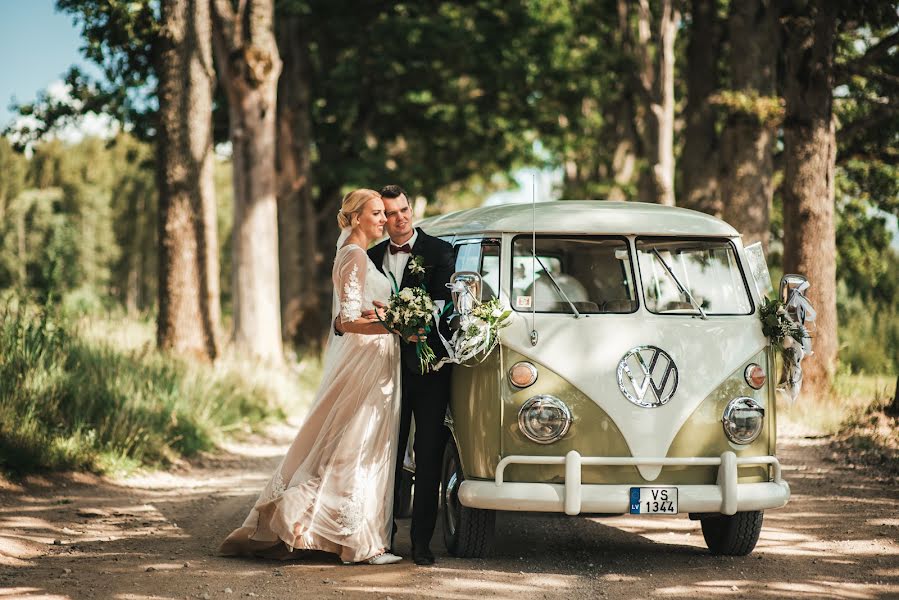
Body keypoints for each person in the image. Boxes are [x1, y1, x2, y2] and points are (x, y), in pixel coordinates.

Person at [219, 189, 403, 565]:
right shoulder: (353, 255)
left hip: (376, 357)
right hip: (365, 361)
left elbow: (358, 313)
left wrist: (388, 317)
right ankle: (358, 542)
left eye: (384, 214)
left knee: (358, 442)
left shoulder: (357, 254)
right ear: (355, 218)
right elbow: (349, 321)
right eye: (376, 214)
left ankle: (329, 529)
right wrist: (396, 324)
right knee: (356, 442)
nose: (383, 220)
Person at [367, 185, 455, 566]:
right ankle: (382, 536)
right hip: (381, 368)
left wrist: (419, 321)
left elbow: (444, 304)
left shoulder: (439, 251)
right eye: (390, 212)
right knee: (385, 451)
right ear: (380, 218)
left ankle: (422, 542)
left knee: (429, 453)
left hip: (429, 369)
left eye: (404, 209)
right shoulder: (369, 256)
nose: (400, 218)